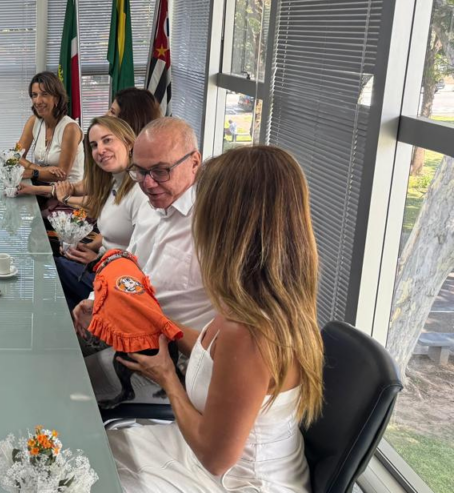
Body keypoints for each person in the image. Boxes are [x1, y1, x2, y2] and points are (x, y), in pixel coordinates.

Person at [106, 146, 325, 492]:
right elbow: (215, 356)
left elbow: (216, 458)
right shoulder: (261, 298)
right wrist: (154, 321)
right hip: (201, 457)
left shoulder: (251, 332)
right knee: (92, 452)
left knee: (87, 473)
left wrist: (166, 377)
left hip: (233, 480)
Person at [73, 117, 215, 405]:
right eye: (140, 171)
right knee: (56, 352)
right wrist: (96, 300)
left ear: (194, 162)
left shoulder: (212, 226)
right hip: (129, 339)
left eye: (161, 171)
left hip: (172, 368)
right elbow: (127, 269)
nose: (148, 183)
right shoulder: (152, 209)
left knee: (70, 390)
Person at [48, 116, 147, 308]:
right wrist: (88, 247)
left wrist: (97, 260)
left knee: (50, 268)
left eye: (107, 140)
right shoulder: (113, 182)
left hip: (114, 281)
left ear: (128, 142)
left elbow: (140, 259)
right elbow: (114, 237)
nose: (100, 150)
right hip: (101, 265)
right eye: (94, 145)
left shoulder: (141, 192)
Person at [16, 86, 160, 201]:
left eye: (112, 112)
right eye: (34, 95)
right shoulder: (112, 157)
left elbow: (98, 203)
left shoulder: (142, 178)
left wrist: (65, 198)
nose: (105, 115)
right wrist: (35, 189)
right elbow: (88, 188)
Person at [15, 72, 84, 184]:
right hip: (42, 186)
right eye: (34, 95)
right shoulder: (33, 121)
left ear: (56, 98)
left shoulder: (70, 128)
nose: (38, 101)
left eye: (44, 94)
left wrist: (32, 173)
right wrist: (39, 169)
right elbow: (16, 156)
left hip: (68, 190)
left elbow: (61, 175)